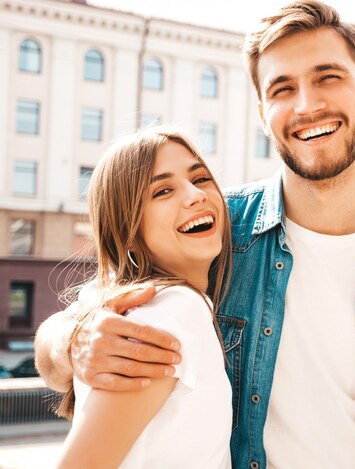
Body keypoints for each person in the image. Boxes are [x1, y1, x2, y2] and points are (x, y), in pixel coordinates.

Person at [36, 2, 355, 468]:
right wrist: (73, 341)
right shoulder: (213, 232)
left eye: (327, 77)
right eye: (282, 88)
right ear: (262, 113)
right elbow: (76, 323)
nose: (306, 105)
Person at [55, 127, 233, 468]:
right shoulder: (171, 312)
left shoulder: (170, 306)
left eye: (200, 178)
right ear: (128, 234)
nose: (195, 195)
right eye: (163, 191)